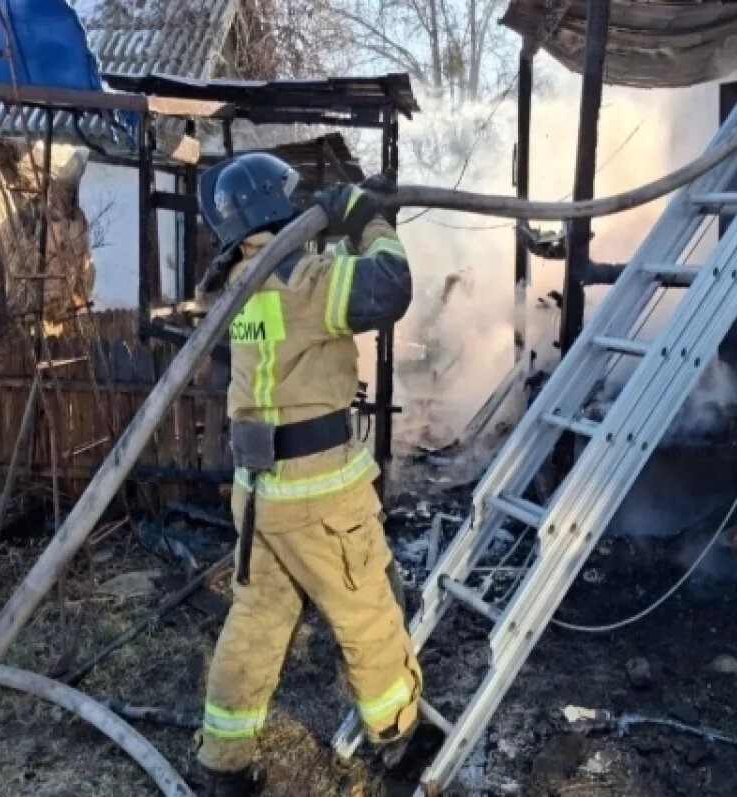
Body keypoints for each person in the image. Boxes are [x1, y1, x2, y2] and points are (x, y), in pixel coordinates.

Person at [193, 152, 422, 796]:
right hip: (320, 492)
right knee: (365, 608)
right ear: (272, 204)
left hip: (258, 494)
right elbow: (391, 284)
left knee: (257, 621)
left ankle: (223, 765)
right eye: (289, 200)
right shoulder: (307, 280)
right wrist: (367, 219)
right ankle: (400, 737)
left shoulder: (239, 286)